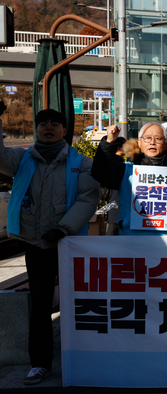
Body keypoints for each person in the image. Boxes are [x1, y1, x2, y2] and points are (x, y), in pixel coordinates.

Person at [0, 108, 100, 385]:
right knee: (41, 305)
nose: (48, 127)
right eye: (43, 123)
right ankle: (40, 363)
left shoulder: (81, 162)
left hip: (69, 243)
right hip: (35, 243)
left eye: (55, 123)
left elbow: (87, 198)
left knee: (76, 303)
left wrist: (63, 228)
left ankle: (80, 358)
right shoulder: (22, 159)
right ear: (37, 129)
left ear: (64, 130)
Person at [92, 123, 167, 235]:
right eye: (147, 138)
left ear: (166, 144)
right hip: (132, 241)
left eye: (158, 139)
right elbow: (100, 173)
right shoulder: (126, 170)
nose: (152, 142)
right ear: (139, 143)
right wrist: (109, 143)